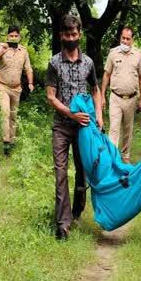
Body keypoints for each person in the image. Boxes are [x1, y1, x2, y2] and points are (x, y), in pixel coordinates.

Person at [46, 14, 103, 240]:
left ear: (79, 34)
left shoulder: (88, 63)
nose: (71, 38)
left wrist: (99, 114)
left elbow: (96, 89)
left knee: (82, 170)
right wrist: (70, 112)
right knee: (61, 172)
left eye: (74, 34)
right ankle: (63, 223)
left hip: (84, 128)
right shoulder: (53, 63)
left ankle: (78, 210)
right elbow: (51, 96)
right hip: (61, 126)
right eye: (67, 34)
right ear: (62, 35)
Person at [100, 26, 141, 163]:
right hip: (115, 97)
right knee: (114, 129)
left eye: (128, 39)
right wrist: (102, 96)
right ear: (120, 37)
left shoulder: (138, 55)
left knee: (128, 130)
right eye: (123, 38)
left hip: (131, 99)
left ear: (132, 40)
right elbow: (106, 74)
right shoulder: (113, 53)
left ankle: (125, 156)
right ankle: (111, 157)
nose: (125, 41)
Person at [0, 25, 34, 155]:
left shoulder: (23, 51)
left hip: (16, 88)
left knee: (13, 116)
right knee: (5, 112)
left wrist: (30, 82)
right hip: (2, 86)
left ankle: (12, 141)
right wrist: (2, 51)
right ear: (7, 36)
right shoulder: (2, 47)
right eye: (11, 36)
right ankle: (6, 143)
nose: (13, 38)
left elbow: (28, 69)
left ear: (19, 37)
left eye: (16, 36)